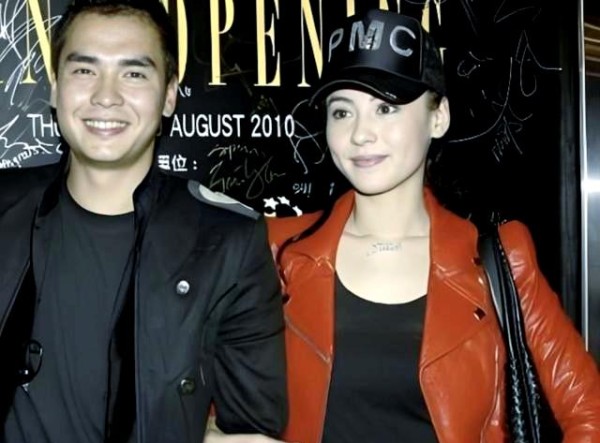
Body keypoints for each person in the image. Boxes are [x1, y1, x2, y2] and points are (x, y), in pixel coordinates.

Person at [267, 9, 600, 443]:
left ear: (438, 117)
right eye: (342, 112)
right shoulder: (277, 253)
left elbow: (590, 413)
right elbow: (211, 405)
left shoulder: (499, 260)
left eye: (385, 107)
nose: (361, 134)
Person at [0, 1, 287, 442]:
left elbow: (250, 430)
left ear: (169, 95)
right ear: (55, 89)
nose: (106, 96)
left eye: (133, 73)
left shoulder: (228, 242)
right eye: (85, 70)